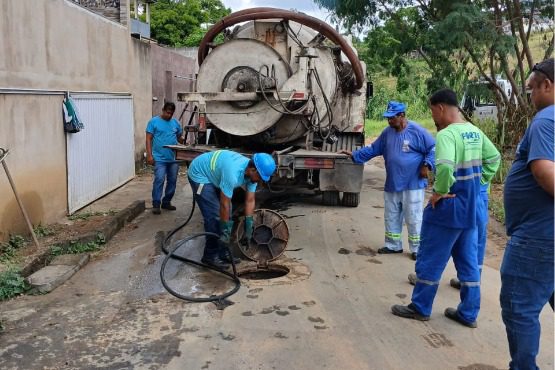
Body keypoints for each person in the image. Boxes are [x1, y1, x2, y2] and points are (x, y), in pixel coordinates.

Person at [391, 89, 500, 328]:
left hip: (449, 208)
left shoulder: (447, 135)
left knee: (431, 258)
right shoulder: (475, 131)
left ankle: (420, 307)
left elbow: (446, 167)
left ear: (440, 108)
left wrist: (439, 193)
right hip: (470, 207)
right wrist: (479, 183)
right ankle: (469, 313)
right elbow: (494, 158)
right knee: (469, 263)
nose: (433, 117)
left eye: (432, 111)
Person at [500, 58, 554, 370]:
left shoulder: (547, 119)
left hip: (538, 238)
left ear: (548, 85)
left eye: (533, 88)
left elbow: (545, 172)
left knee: (518, 306)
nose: (530, 95)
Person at [342, 101, 435, 260]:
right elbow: (374, 149)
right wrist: (354, 155)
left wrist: (427, 165)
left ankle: (417, 249)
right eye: (388, 118)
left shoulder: (417, 131)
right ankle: (393, 245)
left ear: (402, 116)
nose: (389, 121)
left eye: (392, 118)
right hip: (393, 183)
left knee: (413, 216)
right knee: (391, 215)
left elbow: (433, 149)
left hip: (412, 184)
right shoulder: (387, 133)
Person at [187, 150, 276, 269]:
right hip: (200, 174)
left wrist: (248, 227)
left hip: (215, 174)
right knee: (214, 216)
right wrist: (225, 232)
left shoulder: (253, 175)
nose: (260, 180)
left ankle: (223, 253)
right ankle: (210, 256)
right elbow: (224, 204)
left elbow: (250, 200)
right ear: (252, 169)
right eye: (260, 177)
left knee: (227, 214)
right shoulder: (233, 173)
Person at [146, 102, 184, 215]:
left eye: (171, 113)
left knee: (172, 181)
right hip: (159, 158)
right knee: (159, 179)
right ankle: (156, 203)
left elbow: (179, 137)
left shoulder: (176, 123)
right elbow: (148, 139)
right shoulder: (153, 122)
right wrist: (149, 155)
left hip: (173, 158)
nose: (169, 115)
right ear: (163, 110)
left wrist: (182, 138)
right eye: (167, 112)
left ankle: (166, 202)